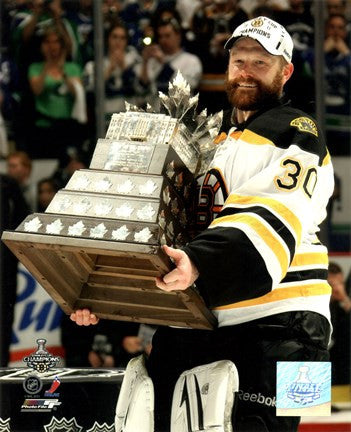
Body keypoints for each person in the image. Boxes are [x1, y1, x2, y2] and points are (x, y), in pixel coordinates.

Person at [71, 16, 334, 432]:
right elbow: (165, 233)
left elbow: (273, 211)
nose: (245, 71)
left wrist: (198, 264)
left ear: (285, 72)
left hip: (291, 323)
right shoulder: (211, 142)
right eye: (238, 61)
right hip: (205, 318)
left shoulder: (299, 130)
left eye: (260, 63)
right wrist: (102, 291)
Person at [137, 17, 202, 108]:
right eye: (161, 36)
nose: (163, 40)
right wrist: (145, 62)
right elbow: (142, 90)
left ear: (178, 36)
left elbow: (185, 88)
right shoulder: (153, 60)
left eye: (167, 36)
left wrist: (163, 63)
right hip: (156, 114)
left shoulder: (191, 61)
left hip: (179, 116)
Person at [327, 261, 351, 385]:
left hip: (337, 361)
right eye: (332, 284)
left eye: (340, 283)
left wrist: (344, 299)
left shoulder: (339, 307)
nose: (337, 288)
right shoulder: (315, 306)